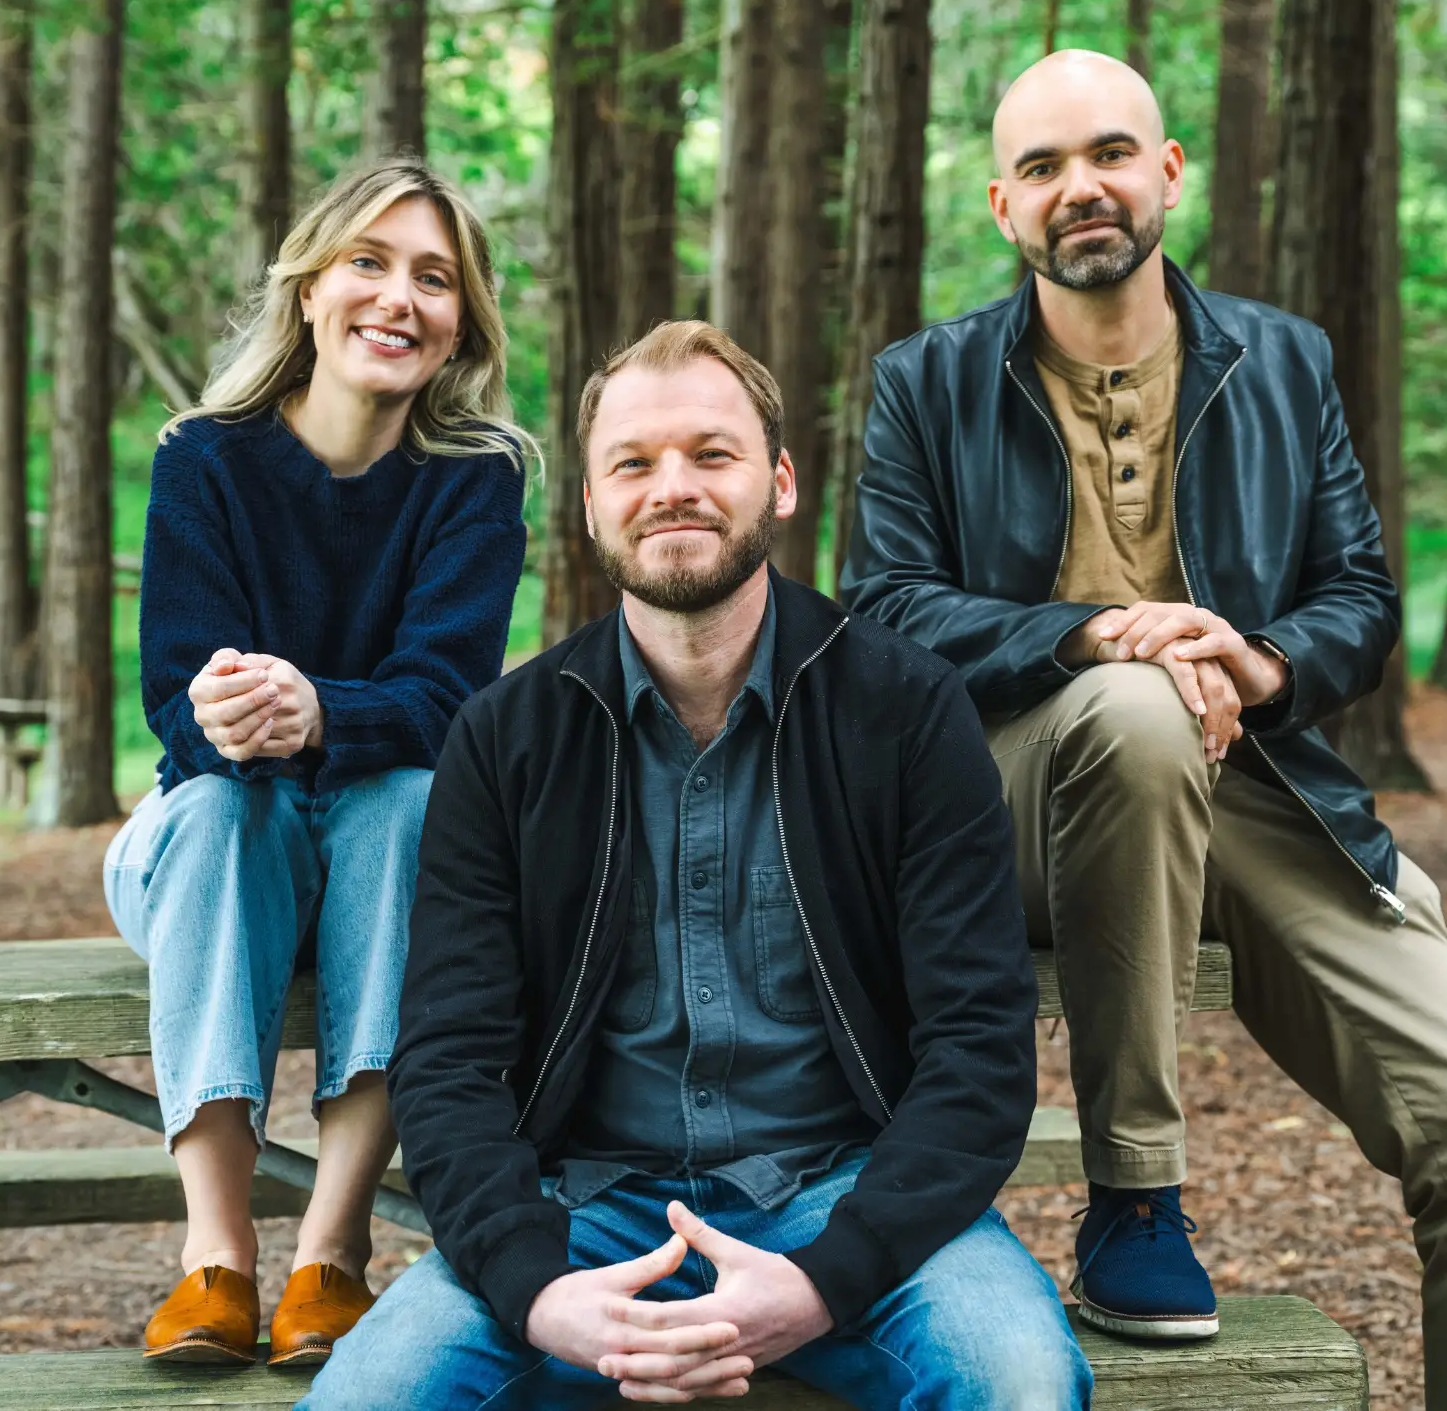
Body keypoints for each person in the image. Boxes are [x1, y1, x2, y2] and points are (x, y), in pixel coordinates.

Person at [841, 50, 1447, 1411]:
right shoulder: (925, 383)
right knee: (1128, 705)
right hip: (1006, 797)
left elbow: (1358, 597)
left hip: (1259, 791)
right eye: (1046, 169)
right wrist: (1089, 634)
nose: (1083, 189)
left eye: (1112, 153)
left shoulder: (1285, 362)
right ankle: (1136, 1201)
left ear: (1168, 171)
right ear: (1004, 205)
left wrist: (1261, 653)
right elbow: (880, 613)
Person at [301, 321, 1092, 1409]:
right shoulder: (502, 736)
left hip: (845, 1191)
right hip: (578, 1211)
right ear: (588, 507)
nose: (671, 486)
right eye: (632, 462)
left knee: (1021, 1383)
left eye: (710, 454)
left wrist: (825, 1278)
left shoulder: (906, 710)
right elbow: (446, 1062)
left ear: (778, 482)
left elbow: (978, 1045)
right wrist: (538, 1292)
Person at [102, 160, 532, 1368]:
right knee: (220, 806)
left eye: (433, 278)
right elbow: (175, 709)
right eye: (369, 262)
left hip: (378, 857)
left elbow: (446, 705)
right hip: (211, 858)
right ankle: (215, 1256)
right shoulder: (204, 459)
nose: (398, 297)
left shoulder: (475, 478)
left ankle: (328, 1255)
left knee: (413, 803)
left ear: (460, 324)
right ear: (309, 289)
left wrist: (317, 711)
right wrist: (231, 716)